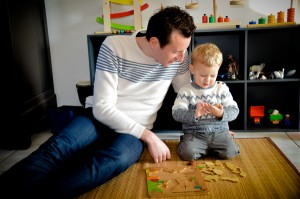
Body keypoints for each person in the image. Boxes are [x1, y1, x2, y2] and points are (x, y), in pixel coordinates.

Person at [0, 6, 196, 199]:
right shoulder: (115, 46)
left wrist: (214, 125)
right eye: (176, 52)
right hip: (98, 119)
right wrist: (150, 137)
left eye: (184, 51)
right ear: (154, 42)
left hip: (134, 132)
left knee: (114, 160)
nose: (181, 58)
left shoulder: (179, 58)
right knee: (59, 146)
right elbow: (102, 108)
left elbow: (187, 94)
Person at [172, 43, 240, 161]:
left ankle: (211, 148)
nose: (208, 80)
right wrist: (195, 114)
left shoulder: (221, 88)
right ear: (192, 69)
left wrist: (221, 114)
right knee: (188, 154)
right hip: (195, 134)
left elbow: (234, 110)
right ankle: (195, 146)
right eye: (203, 75)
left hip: (219, 133)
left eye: (213, 75)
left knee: (231, 152)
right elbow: (176, 113)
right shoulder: (186, 90)